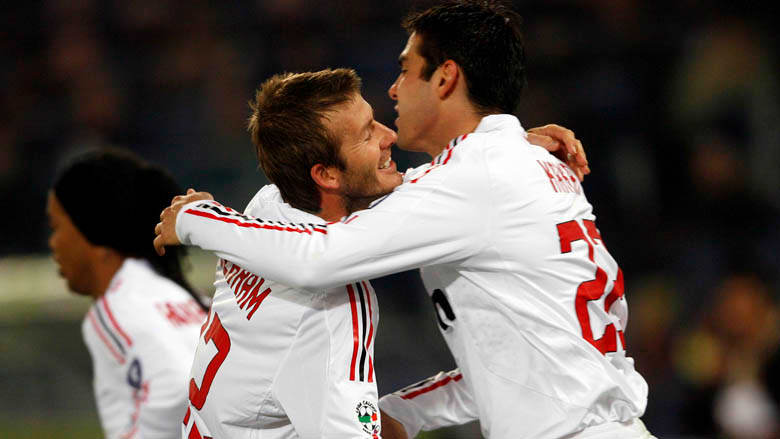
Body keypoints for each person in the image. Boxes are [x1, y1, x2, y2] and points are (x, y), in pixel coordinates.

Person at [154, 1, 653, 438]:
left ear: (445, 78)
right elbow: (512, 361)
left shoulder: (475, 179)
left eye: (405, 70)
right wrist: (404, 413)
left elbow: (316, 258)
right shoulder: (515, 169)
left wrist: (197, 218)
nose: (393, 91)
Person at [170, 68, 582, 439]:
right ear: (326, 174)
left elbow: (393, 193)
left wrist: (505, 152)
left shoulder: (270, 205)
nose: (389, 136)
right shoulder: (329, 313)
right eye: (368, 133)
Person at [47, 148, 207, 439]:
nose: (53, 243)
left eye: (57, 227)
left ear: (93, 233)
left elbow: (175, 388)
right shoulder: (179, 295)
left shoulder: (118, 305)